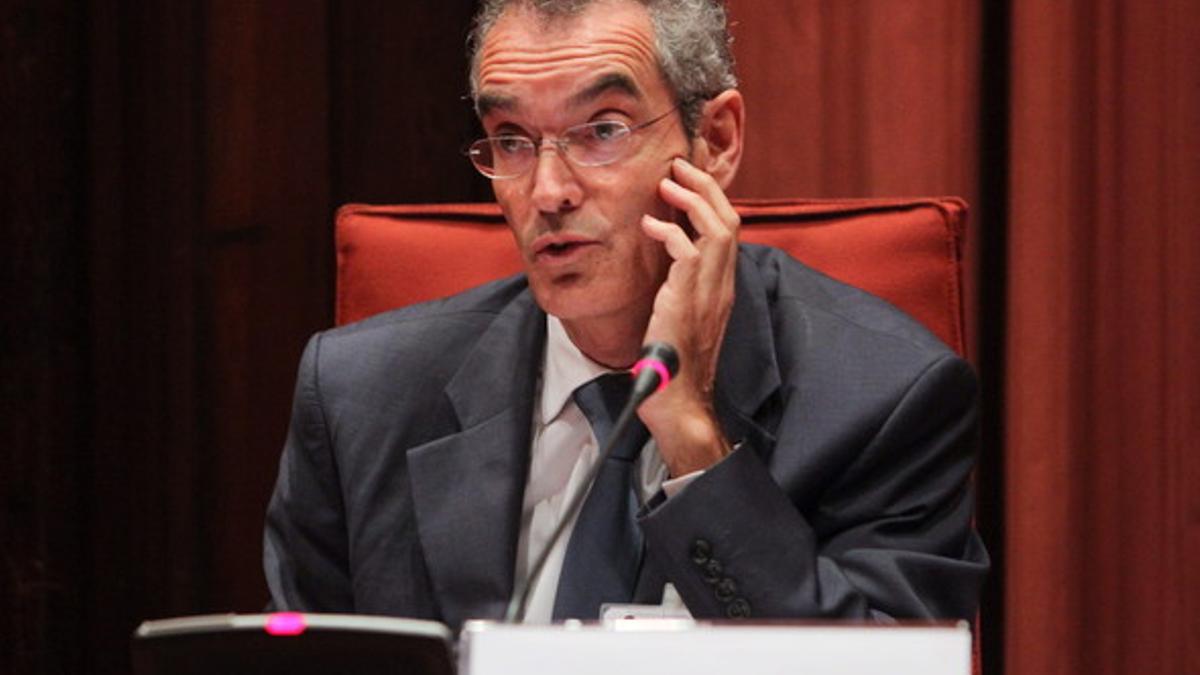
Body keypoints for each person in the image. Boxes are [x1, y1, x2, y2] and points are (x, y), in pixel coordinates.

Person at [264, 0, 988, 633]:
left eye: (602, 130)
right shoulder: (362, 397)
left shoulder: (887, 402)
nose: (547, 191)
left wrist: (691, 437)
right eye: (512, 138)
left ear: (718, 139)